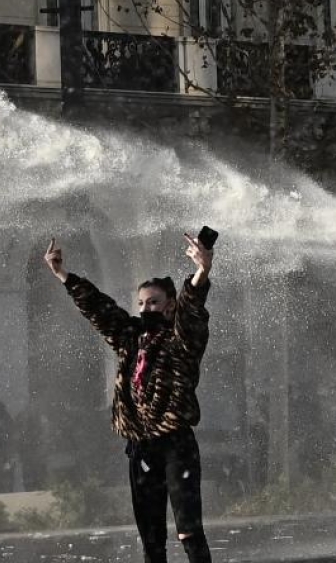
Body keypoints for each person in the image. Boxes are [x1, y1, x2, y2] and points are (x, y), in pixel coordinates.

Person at [44, 233, 215, 563]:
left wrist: (202, 270)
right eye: (141, 303)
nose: (145, 308)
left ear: (169, 304)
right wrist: (63, 275)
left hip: (176, 444)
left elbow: (192, 306)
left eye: (153, 302)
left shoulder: (182, 339)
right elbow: (100, 309)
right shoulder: (131, 337)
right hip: (141, 446)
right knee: (151, 537)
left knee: (188, 531)